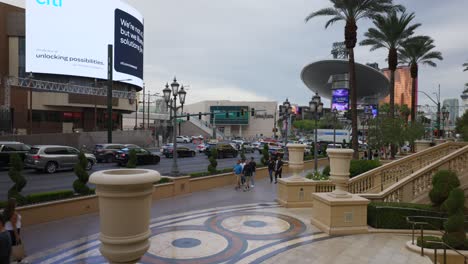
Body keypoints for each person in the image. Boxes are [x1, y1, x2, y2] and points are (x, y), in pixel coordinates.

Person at [3, 198, 23, 262]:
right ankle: (19, 261)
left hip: (8, 232)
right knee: (18, 246)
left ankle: (13, 260)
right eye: (16, 203)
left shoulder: (5, 212)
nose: (17, 204)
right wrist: (17, 236)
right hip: (13, 232)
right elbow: (14, 225)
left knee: (11, 248)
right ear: (13, 204)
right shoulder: (13, 213)